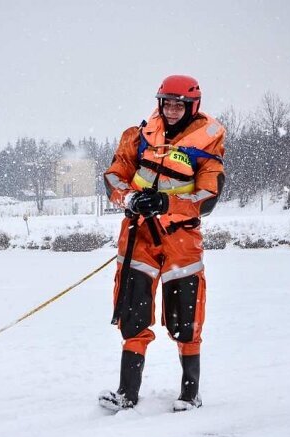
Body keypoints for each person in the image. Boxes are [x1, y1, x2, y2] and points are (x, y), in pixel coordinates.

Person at [98, 74, 226, 412]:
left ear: (191, 106)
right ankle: (126, 394)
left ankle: (189, 394)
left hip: (180, 240)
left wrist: (168, 205)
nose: (170, 109)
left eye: (177, 104)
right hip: (138, 236)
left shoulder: (207, 144)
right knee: (133, 313)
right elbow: (114, 174)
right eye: (166, 103)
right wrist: (129, 200)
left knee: (187, 317)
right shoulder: (139, 136)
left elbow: (208, 195)